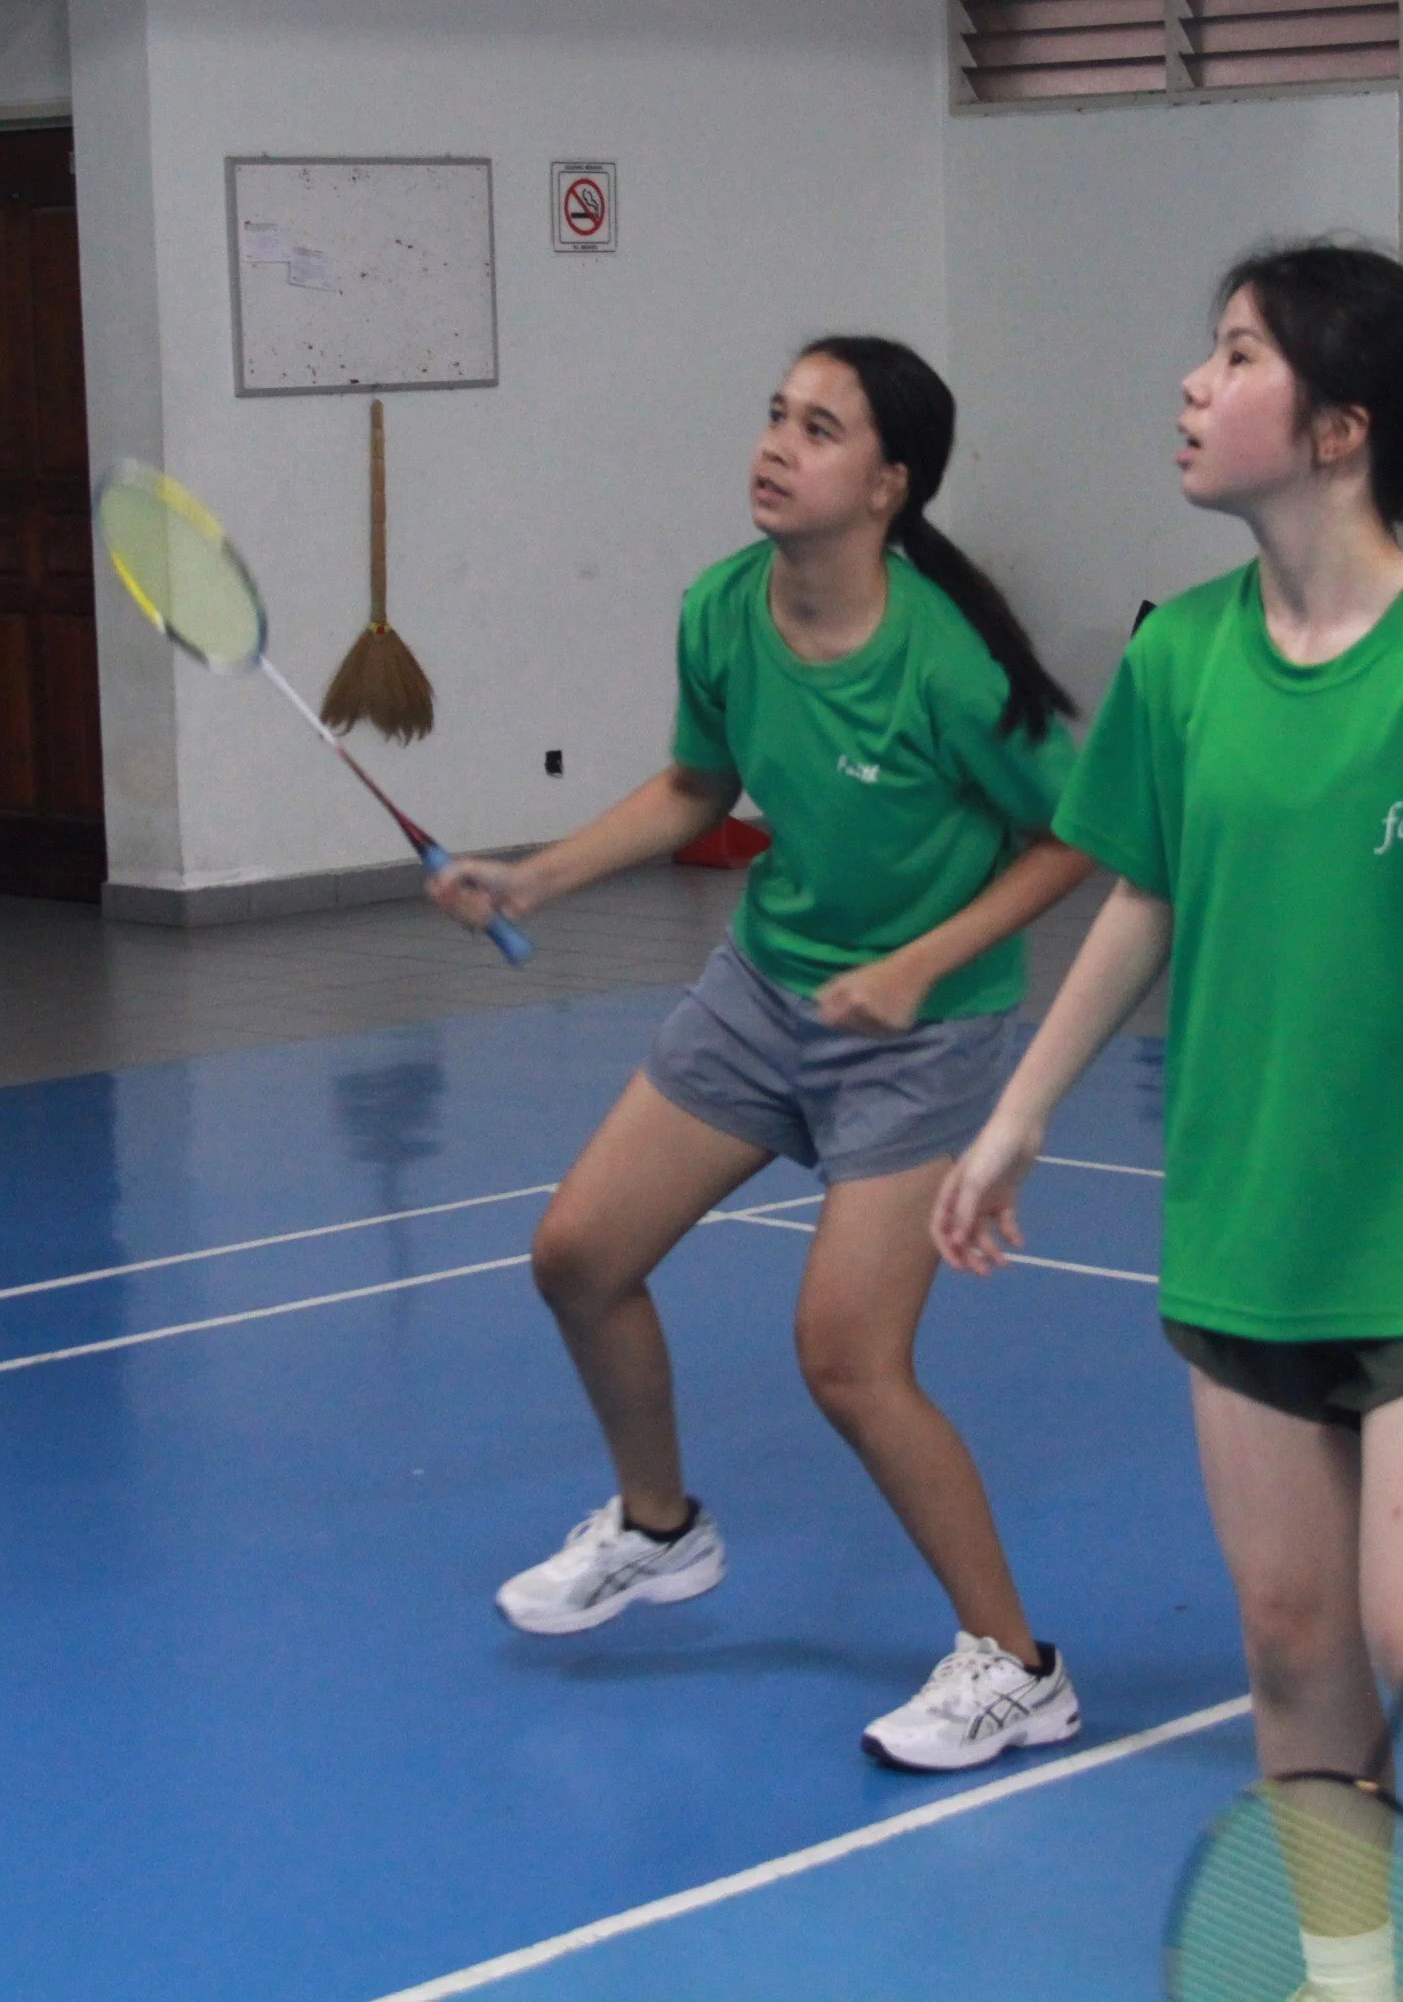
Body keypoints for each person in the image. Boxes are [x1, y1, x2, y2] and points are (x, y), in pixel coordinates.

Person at [933, 244, 1403, 1997]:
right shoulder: (1183, 657)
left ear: (1339, 428)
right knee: (1291, 1641)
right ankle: (1346, 1972)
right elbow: (1145, 892)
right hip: (1247, 1226)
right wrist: (1019, 1112)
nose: (1192, 386)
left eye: (1235, 357)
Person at [432, 334, 1093, 1772]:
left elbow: (1077, 835)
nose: (777, 445)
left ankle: (1016, 1665)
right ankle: (659, 1527)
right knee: (578, 1255)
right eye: (776, 415)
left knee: (847, 1360)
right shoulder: (725, 608)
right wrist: (537, 876)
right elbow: (697, 784)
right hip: (764, 988)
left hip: (919, 1031)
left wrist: (919, 962)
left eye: (821, 428)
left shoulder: (947, 662)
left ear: (890, 485)